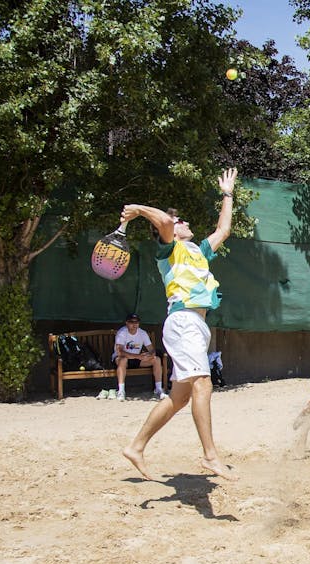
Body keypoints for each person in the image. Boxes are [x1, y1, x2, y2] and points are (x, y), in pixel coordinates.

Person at [119, 168, 239, 481]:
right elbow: (164, 222)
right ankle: (210, 456)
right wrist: (139, 209)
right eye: (180, 221)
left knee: (179, 398)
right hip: (183, 321)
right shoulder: (169, 249)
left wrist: (227, 194)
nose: (182, 222)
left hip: (195, 325)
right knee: (203, 383)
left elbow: (223, 229)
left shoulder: (198, 251)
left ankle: (136, 446)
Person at [111, 313, 166, 401]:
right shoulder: (122, 332)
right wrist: (137, 356)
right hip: (122, 358)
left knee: (157, 360)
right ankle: (121, 390)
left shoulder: (142, 333)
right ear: (126, 323)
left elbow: (151, 349)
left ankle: (158, 389)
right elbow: (119, 351)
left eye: (136, 322)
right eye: (131, 322)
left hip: (137, 359)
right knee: (123, 360)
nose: (134, 324)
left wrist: (149, 355)